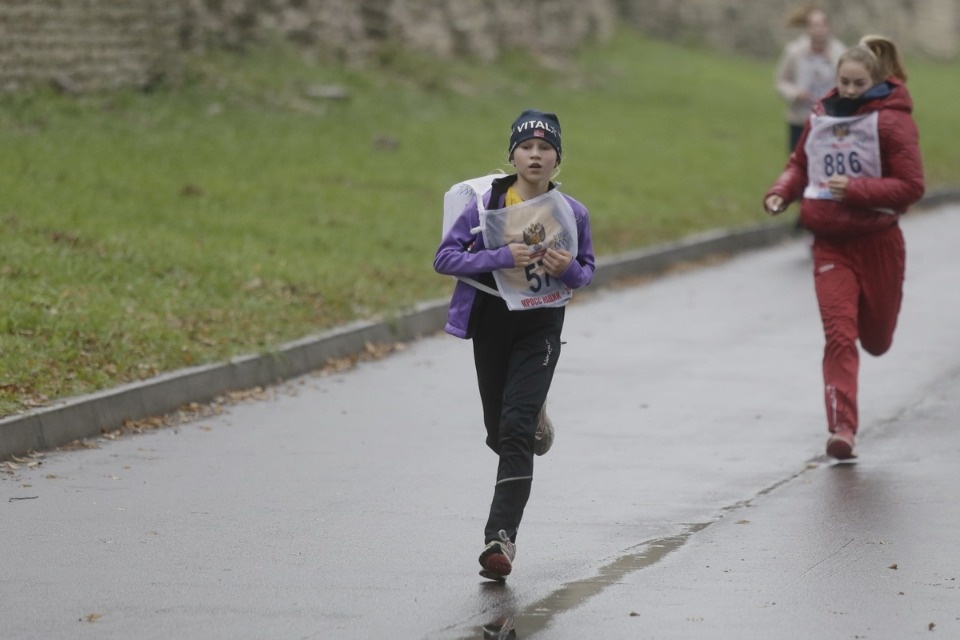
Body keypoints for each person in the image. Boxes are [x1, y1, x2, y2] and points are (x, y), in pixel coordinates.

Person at [434, 109, 595, 581]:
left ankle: (500, 539)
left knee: (515, 430)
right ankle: (532, 420)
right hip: (492, 322)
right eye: (527, 147)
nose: (536, 155)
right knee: (497, 430)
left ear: (557, 160)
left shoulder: (572, 212)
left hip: (541, 324)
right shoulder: (486, 205)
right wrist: (501, 256)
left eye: (546, 149)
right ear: (513, 155)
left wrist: (567, 267)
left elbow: (586, 271)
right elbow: (445, 258)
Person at [763, 36, 924, 460]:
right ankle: (842, 429)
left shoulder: (892, 122)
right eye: (844, 83)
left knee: (877, 339)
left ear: (875, 81)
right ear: (835, 80)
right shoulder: (822, 115)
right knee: (839, 336)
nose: (850, 91)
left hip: (879, 242)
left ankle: (848, 413)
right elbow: (800, 164)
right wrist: (782, 192)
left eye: (858, 84)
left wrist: (855, 189)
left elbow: (911, 187)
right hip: (830, 244)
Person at [774, 4, 846, 154]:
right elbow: (780, 81)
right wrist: (795, 93)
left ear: (829, 27)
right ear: (808, 28)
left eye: (822, 25)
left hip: (830, 120)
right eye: (814, 26)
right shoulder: (794, 52)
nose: (818, 30)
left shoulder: (840, 53)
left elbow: (848, 82)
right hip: (800, 119)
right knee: (797, 163)